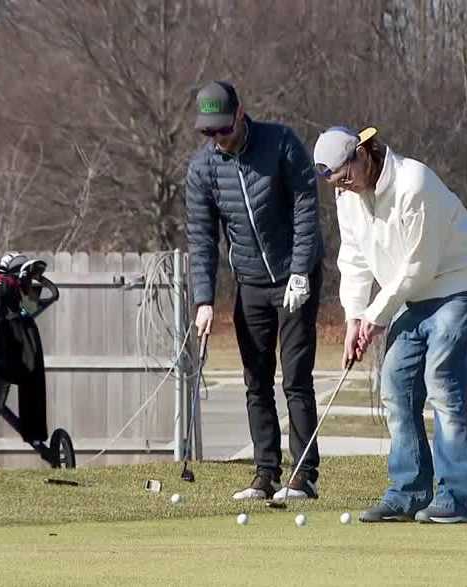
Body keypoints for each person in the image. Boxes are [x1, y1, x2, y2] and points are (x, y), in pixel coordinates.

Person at [313, 126, 467, 523]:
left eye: (346, 176)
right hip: (411, 295)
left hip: (457, 284)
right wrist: (353, 319)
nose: (345, 187)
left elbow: (418, 266)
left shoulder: (414, 183)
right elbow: (355, 261)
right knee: (395, 383)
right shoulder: (348, 197)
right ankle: (408, 492)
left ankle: (460, 498)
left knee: (442, 380)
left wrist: (376, 317)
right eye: (336, 183)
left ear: (362, 154)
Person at [185, 81, 324, 501]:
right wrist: (204, 299)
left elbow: (305, 205)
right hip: (251, 283)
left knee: (296, 378)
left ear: (241, 114)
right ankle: (265, 474)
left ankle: (303, 475)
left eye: (222, 130)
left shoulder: (280, 143)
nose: (217, 140)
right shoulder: (203, 169)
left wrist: (301, 271)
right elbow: (202, 238)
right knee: (256, 380)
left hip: (295, 277)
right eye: (208, 133)